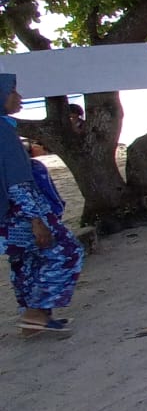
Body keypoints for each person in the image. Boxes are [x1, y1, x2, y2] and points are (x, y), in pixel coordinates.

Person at [0, 74, 84, 335]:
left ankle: (32, 320)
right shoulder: (3, 132)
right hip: (22, 212)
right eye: (13, 92)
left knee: (25, 261)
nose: (19, 97)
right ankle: (36, 313)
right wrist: (36, 220)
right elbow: (17, 182)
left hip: (7, 215)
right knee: (66, 252)